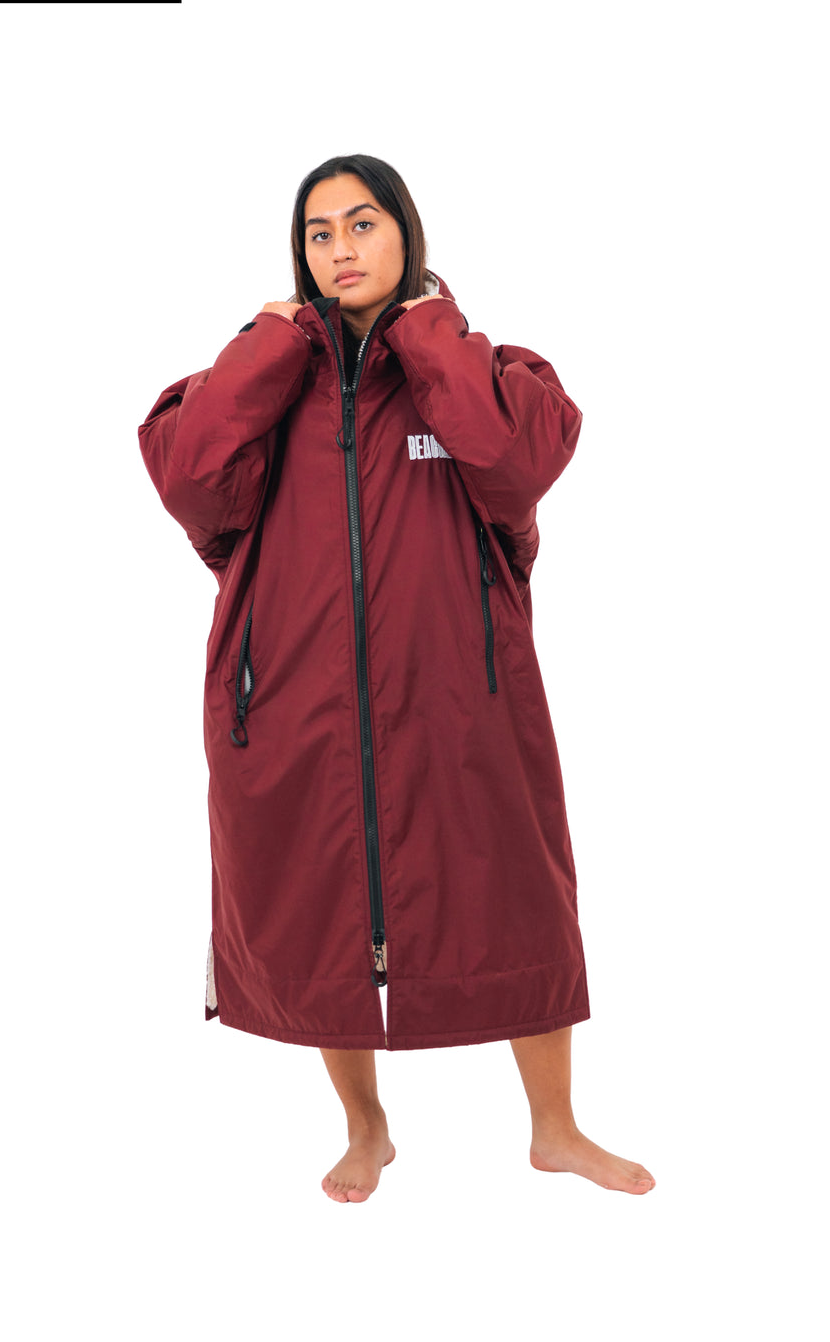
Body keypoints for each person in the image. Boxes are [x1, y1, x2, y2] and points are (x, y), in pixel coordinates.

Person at [138, 154, 655, 1203]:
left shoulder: (486, 371)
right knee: (324, 907)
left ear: (406, 233)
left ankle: (555, 1128)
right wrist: (271, 344)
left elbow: (512, 465)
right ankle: (366, 1127)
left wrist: (425, 331)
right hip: (292, 699)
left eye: (363, 223)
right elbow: (190, 479)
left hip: (464, 697)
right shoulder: (268, 385)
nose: (341, 248)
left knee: (517, 898)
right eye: (319, 232)